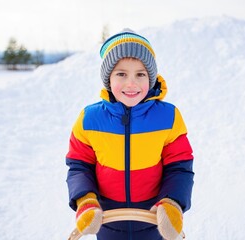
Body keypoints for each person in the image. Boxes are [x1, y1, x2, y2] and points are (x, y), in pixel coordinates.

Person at [65, 28, 194, 240]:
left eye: (140, 74)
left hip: (154, 219)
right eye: (121, 74)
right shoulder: (89, 119)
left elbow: (179, 166)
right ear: (108, 78)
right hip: (107, 220)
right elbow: (79, 166)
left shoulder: (169, 117)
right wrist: (86, 201)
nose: (131, 83)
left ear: (151, 78)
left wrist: (172, 203)